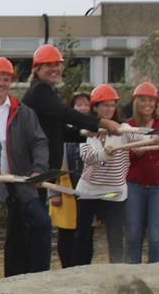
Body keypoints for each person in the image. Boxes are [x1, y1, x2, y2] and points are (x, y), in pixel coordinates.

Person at [22, 44, 119, 271]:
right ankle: (33, 271)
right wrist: (100, 123)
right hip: (35, 168)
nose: (54, 69)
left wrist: (87, 132)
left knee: (37, 224)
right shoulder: (40, 92)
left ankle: (33, 270)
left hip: (44, 169)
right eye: (49, 65)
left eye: (57, 64)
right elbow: (66, 114)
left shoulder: (47, 92)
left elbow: (58, 129)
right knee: (36, 225)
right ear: (37, 69)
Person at [0, 56, 50, 277]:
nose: (1, 83)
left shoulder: (23, 112)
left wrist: (38, 168)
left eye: (6, 79)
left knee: (39, 223)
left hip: (18, 179)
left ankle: (35, 277)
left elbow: (39, 142)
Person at [71, 85, 128, 266]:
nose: (109, 109)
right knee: (83, 234)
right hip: (89, 190)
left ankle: (118, 271)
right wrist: (105, 153)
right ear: (95, 108)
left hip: (115, 191)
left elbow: (142, 139)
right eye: (104, 105)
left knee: (116, 234)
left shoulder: (123, 129)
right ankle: (81, 269)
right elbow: (87, 157)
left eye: (112, 105)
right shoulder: (86, 132)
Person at [123, 81, 159, 263]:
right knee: (134, 233)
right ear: (136, 102)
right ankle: (132, 271)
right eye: (143, 100)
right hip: (135, 185)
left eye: (151, 101)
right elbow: (121, 153)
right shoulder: (128, 126)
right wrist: (135, 152)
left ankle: (155, 272)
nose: (147, 104)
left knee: (155, 234)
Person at [56, 90, 93, 267]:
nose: (83, 107)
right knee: (65, 231)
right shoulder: (62, 128)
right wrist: (52, 193)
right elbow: (53, 161)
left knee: (86, 230)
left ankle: (84, 266)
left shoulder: (94, 130)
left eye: (87, 104)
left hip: (88, 187)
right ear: (72, 107)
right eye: (79, 104)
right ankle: (67, 267)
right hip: (64, 187)